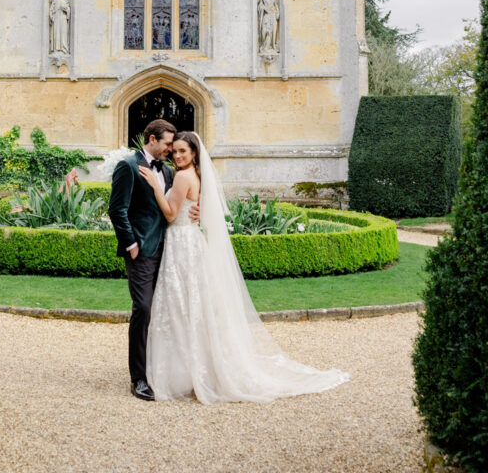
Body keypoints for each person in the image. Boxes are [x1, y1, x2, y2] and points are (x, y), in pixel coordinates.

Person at [139, 131, 350, 403]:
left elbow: (170, 214)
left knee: (182, 306)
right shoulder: (197, 176)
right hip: (191, 242)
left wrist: (156, 188)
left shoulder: (181, 176)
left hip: (182, 244)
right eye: (175, 151)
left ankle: (183, 373)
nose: (178, 156)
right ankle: (197, 368)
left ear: (194, 154)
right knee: (193, 307)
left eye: (183, 151)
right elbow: (195, 207)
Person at [108, 119, 197, 401]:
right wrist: (131, 244)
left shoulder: (170, 172)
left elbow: (177, 205)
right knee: (144, 309)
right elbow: (117, 210)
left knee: (166, 311)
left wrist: (200, 210)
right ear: (152, 139)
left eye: (175, 146)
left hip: (170, 250)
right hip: (143, 251)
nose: (172, 150)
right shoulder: (128, 166)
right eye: (168, 144)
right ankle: (139, 379)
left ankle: (164, 370)